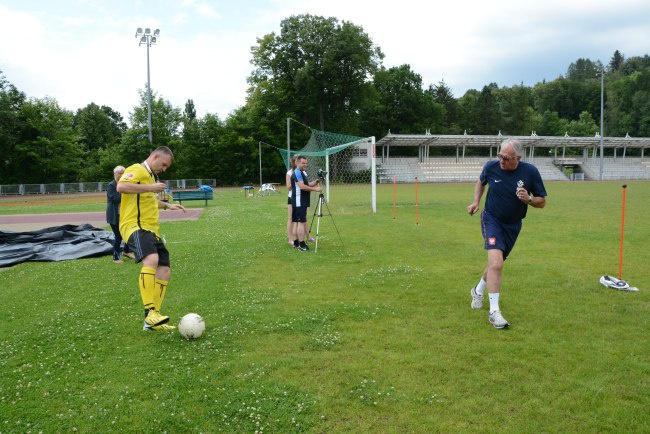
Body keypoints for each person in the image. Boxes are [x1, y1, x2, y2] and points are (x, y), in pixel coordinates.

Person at [466, 138, 547, 329]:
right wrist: (476, 201)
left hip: (513, 226)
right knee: (496, 263)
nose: (501, 161)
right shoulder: (491, 166)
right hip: (491, 219)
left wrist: (528, 199)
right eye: (500, 156)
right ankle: (494, 312)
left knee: (495, 264)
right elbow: (481, 181)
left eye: (506, 158)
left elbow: (542, 201)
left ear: (518, 158)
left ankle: (477, 291)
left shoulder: (530, 172)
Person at [117, 146, 186, 331]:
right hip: (134, 225)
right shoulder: (137, 169)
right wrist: (151, 187)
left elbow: (147, 199)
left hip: (151, 229)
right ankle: (151, 313)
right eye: (163, 164)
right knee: (152, 259)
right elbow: (121, 186)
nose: (163, 169)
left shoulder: (151, 177)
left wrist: (167, 206)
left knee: (164, 271)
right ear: (155, 156)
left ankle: (151, 322)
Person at [290, 155, 322, 251]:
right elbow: (302, 187)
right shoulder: (297, 173)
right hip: (299, 200)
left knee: (298, 221)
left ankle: (296, 243)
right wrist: (316, 189)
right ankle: (301, 244)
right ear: (297, 163)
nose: (305, 165)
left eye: (306, 163)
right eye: (303, 163)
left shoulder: (301, 172)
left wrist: (317, 181)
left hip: (300, 200)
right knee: (301, 222)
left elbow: (307, 184)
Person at [106, 165, 134, 263]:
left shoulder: (125, 184)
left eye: (123, 173)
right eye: (120, 173)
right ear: (115, 174)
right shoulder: (111, 185)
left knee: (128, 233)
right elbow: (116, 199)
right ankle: (116, 258)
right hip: (114, 216)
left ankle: (126, 251)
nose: (122, 175)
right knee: (118, 236)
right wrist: (125, 190)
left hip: (124, 215)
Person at [286, 155, 297, 246]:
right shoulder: (289, 173)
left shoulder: (303, 172)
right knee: (291, 219)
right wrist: (295, 180)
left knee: (300, 219)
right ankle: (290, 239)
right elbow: (288, 187)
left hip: (300, 198)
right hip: (291, 198)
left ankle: (299, 238)